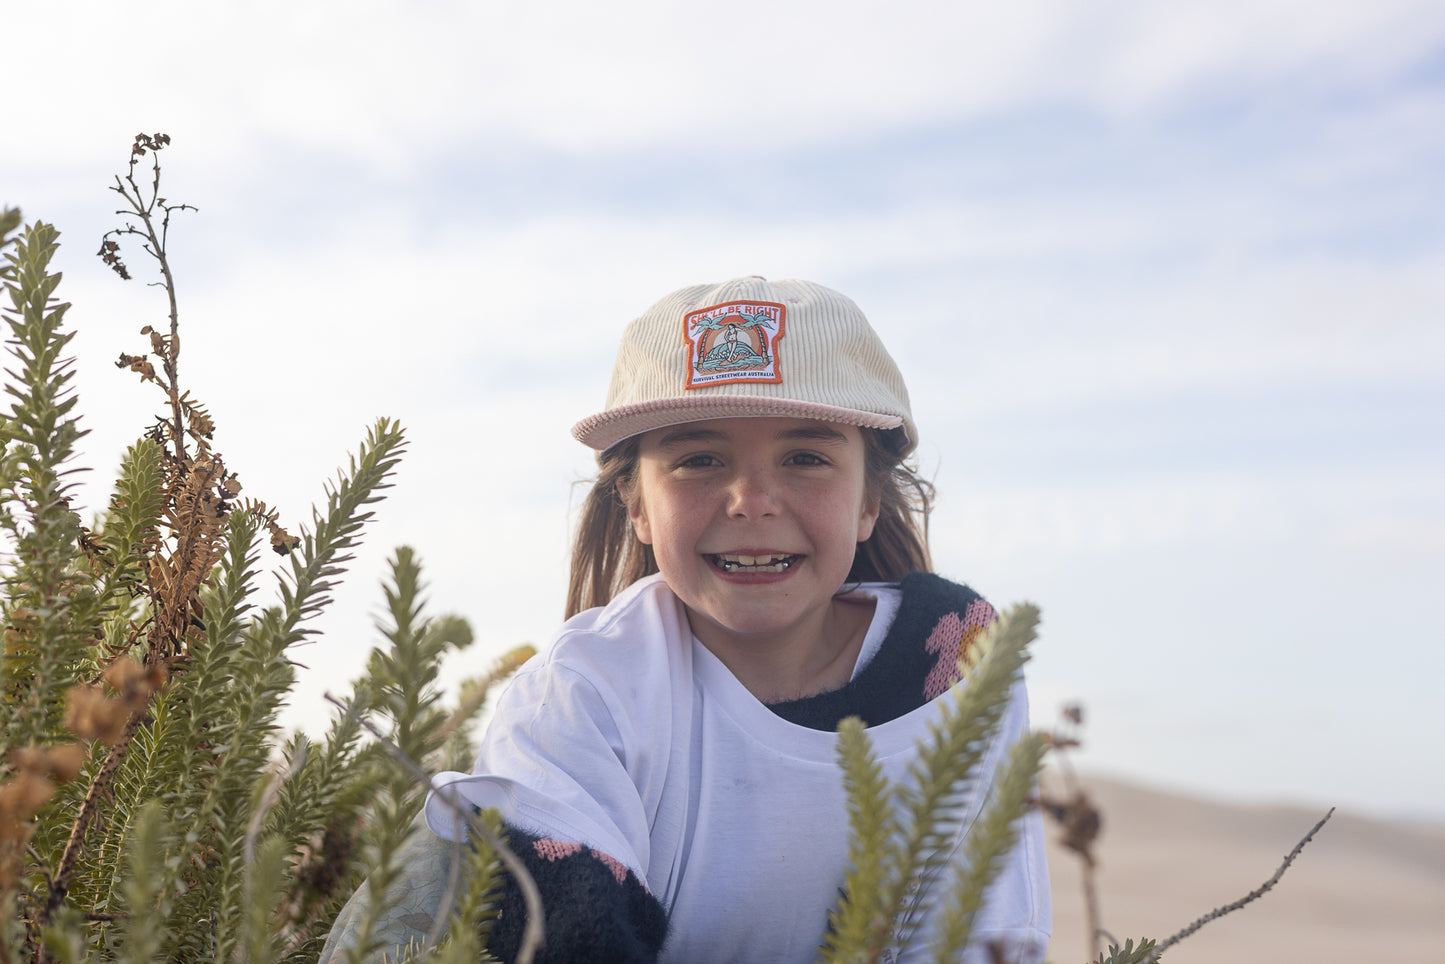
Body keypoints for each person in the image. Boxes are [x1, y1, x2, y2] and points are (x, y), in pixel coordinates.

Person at [323, 276, 1050, 963]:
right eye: (698, 459)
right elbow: (573, 940)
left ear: (868, 500)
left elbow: (982, 933)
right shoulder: (584, 691)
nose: (750, 499)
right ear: (636, 505)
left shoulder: (958, 667)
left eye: (805, 456)